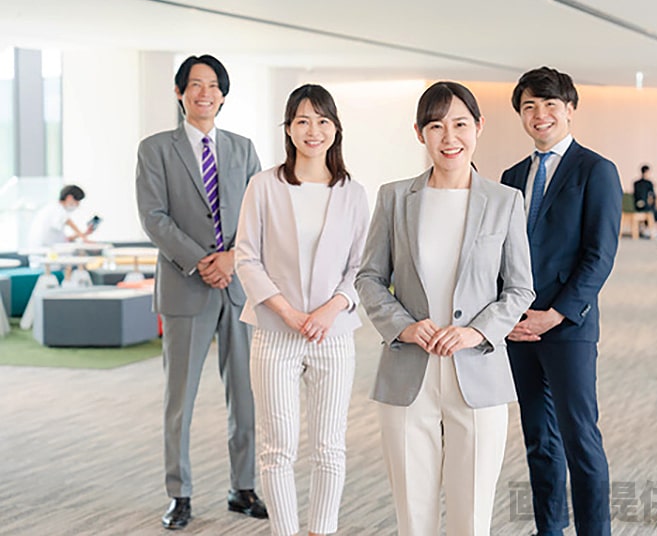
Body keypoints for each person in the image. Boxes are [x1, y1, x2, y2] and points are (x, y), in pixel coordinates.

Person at [356, 81, 534, 536]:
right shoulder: (394, 197)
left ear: (478, 127)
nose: (449, 137)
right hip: (408, 369)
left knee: (471, 514)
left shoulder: (505, 201)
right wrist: (404, 326)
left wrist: (475, 332)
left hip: (476, 370)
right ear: (420, 133)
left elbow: (519, 289)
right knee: (413, 515)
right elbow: (369, 278)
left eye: (460, 124)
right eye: (436, 126)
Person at [135, 54, 266, 530]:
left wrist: (232, 259)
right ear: (179, 92)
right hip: (184, 287)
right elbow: (153, 217)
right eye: (195, 84)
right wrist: (200, 261)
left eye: (213, 85)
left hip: (238, 287)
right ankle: (180, 493)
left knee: (246, 396)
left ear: (223, 95)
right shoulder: (155, 149)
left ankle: (242, 487)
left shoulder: (243, 148)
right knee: (180, 399)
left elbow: (259, 212)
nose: (204, 93)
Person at [235, 84, 369, 536]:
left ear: (336, 129)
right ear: (289, 129)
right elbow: (246, 258)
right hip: (276, 332)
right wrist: (288, 314)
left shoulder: (352, 192)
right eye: (303, 121)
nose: (314, 131)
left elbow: (361, 266)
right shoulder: (264, 186)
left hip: (334, 334)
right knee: (278, 448)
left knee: (329, 446)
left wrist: (330, 310)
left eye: (323, 121)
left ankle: (321, 530)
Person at [501, 67, 621, 536]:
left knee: (580, 440)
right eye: (529, 106)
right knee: (539, 439)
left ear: (569, 109)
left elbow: (600, 254)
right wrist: (508, 314)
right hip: (519, 327)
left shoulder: (596, 170)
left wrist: (555, 314)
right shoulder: (512, 176)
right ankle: (549, 529)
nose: (540, 115)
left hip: (568, 325)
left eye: (550, 104)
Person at [27, 184, 95, 248]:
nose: (78, 205)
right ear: (69, 198)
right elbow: (68, 221)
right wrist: (84, 238)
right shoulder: (56, 209)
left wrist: (84, 233)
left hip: (46, 250)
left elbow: (65, 239)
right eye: (77, 201)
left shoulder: (55, 212)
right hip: (43, 251)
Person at [633, 164, 657, 238]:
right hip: (646, 207)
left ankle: (643, 228)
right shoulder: (649, 183)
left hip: (636, 206)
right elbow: (652, 196)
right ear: (647, 172)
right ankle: (650, 229)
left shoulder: (636, 183)